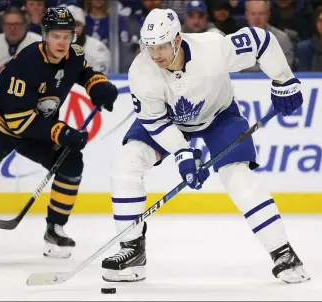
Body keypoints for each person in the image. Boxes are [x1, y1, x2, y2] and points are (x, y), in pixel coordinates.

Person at [101, 8, 309, 284]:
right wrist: (183, 154)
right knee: (125, 164)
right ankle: (132, 250)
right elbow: (156, 122)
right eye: (150, 47)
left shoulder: (213, 48)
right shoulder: (142, 70)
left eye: (162, 46)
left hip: (219, 115)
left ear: (177, 40)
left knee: (237, 175)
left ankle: (283, 253)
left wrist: (284, 79)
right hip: (168, 121)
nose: (156, 54)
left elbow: (261, 41)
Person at [0, 7, 118, 259]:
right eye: (56, 36)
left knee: (71, 162)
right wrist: (61, 131)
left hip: (35, 129)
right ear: (45, 36)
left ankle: (55, 229)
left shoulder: (73, 55)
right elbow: (18, 122)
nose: (62, 42)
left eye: (66, 36)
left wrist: (98, 85)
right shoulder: (26, 64)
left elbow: (83, 71)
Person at [0, 7, 42, 73]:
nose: (12, 28)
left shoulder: (38, 42)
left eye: (17, 24)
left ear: (25, 26)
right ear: (2, 26)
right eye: (8, 24)